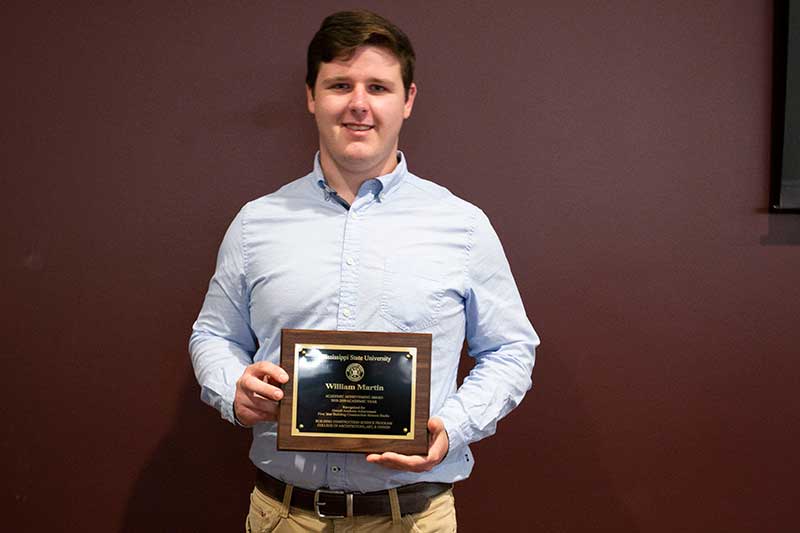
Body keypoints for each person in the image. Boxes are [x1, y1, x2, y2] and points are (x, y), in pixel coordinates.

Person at [189, 9, 540, 532]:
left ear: (408, 100)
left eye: (378, 86)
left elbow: (511, 349)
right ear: (312, 96)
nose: (358, 104)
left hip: (414, 519)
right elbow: (213, 334)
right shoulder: (256, 224)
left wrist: (454, 427)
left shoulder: (462, 226)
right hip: (284, 518)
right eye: (339, 85)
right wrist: (232, 387)